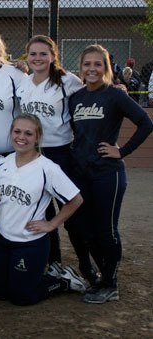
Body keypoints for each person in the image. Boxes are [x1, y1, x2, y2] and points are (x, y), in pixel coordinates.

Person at [68, 44, 153, 304]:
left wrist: (122, 151)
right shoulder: (76, 97)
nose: (92, 69)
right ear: (81, 68)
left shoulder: (114, 95)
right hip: (81, 172)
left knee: (106, 229)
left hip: (108, 173)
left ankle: (110, 283)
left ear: (105, 68)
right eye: (87, 64)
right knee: (80, 225)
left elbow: (145, 123)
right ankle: (93, 272)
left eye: (98, 64)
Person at [0, 114, 86, 306]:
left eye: (28, 133)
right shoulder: (4, 163)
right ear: (11, 133)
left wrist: (52, 224)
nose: (21, 137)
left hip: (30, 242)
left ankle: (63, 281)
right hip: (4, 239)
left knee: (21, 297)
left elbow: (76, 199)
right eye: (17, 131)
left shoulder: (47, 168)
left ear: (37, 137)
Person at [16, 35, 85, 272]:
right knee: (43, 211)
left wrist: (114, 87)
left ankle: (86, 265)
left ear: (53, 56)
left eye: (43, 53)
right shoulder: (23, 82)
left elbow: (93, 94)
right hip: (34, 154)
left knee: (71, 212)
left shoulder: (69, 81)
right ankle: (52, 261)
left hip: (60, 152)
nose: (38, 58)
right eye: (33, 54)